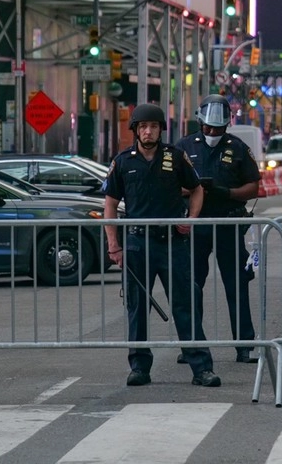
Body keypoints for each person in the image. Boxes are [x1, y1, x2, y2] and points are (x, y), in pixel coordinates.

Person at [104, 103, 221, 388]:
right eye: (143, 126)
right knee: (137, 308)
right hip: (136, 243)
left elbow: (196, 190)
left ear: (161, 129)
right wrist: (113, 245)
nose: (148, 131)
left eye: (153, 126)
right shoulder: (123, 162)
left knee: (185, 305)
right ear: (135, 130)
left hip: (173, 243)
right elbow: (109, 204)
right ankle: (139, 367)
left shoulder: (176, 156)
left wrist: (191, 219)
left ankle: (201, 368)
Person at [177, 96, 262, 363]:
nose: (212, 133)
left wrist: (227, 192)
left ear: (227, 124)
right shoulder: (184, 147)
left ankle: (244, 345)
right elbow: (169, 183)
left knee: (236, 285)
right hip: (196, 225)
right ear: (200, 122)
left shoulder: (238, 148)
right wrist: (193, 189)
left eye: (218, 128)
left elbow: (253, 186)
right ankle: (191, 345)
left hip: (228, 223)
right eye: (208, 128)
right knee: (191, 286)